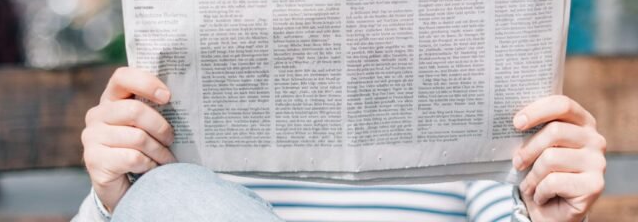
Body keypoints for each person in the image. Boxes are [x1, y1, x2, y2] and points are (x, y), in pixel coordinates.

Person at [74, 68, 606, 221]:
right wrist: (110, 199)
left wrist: (548, 218)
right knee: (169, 197)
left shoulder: (465, 86)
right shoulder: (173, 97)